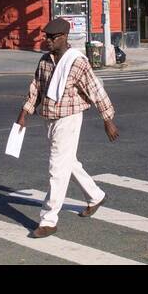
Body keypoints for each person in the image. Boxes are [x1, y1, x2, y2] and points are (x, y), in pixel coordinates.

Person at [15, 18, 119, 238]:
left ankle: (49, 219)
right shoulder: (45, 61)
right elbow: (36, 88)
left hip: (69, 119)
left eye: (52, 38)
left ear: (64, 37)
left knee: (57, 167)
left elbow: (95, 90)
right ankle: (96, 195)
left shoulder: (77, 62)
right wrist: (24, 113)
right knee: (68, 162)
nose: (47, 41)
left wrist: (107, 118)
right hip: (49, 119)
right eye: (46, 37)